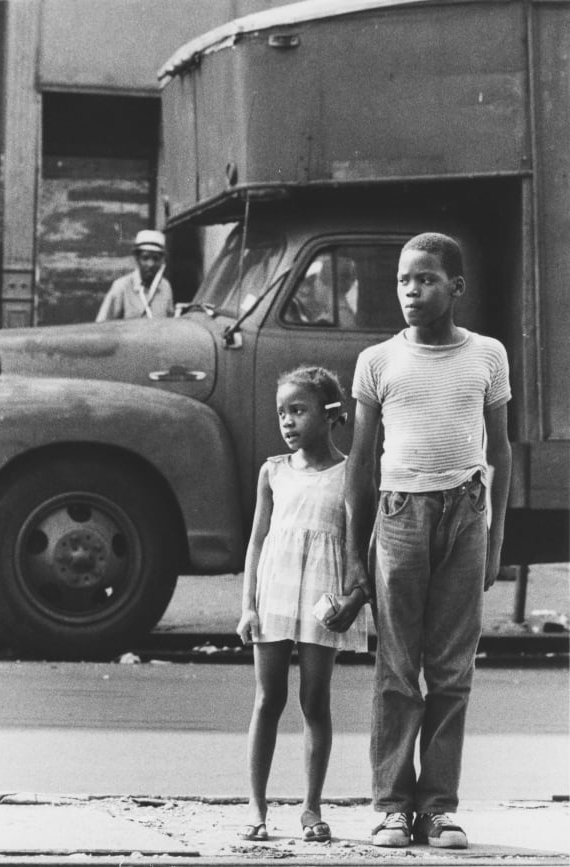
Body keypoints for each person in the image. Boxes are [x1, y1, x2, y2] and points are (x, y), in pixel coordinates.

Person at [329, 232, 512, 848]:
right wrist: (356, 557)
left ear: (456, 287)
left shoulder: (487, 355)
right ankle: (391, 806)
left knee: (452, 669)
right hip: (400, 514)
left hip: (466, 511)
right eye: (404, 281)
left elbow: (500, 451)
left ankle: (438, 807)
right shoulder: (378, 361)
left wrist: (495, 540)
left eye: (426, 279)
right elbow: (360, 464)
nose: (411, 291)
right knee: (398, 669)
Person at [236, 366, 368, 843]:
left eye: (298, 410)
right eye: (281, 413)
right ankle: (256, 805)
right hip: (274, 591)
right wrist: (248, 606)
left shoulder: (350, 473)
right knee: (268, 698)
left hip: (321, 594)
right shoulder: (272, 471)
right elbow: (256, 542)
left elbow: (358, 544)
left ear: (330, 415)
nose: (287, 421)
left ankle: (311, 808)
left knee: (315, 701)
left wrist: (354, 597)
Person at [96, 230, 174, 321]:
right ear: (137, 258)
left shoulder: (165, 287)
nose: (150, 264)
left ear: (162, 261)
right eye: (145, 258)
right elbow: (102, 325)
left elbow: (170, 323)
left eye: (156, 258)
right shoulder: (121, 287)